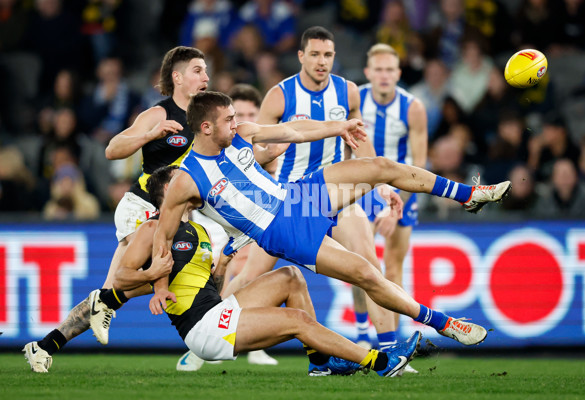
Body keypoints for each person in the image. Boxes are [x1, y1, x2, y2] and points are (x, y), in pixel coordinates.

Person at [152, 91, 511, 359]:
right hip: (281, 230)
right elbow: (162, 237)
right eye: (229, 119)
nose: (237, 122)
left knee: (380, 166)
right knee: (366, 274)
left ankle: (469, 195)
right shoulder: (186, 179)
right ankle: (446, 324)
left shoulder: (242, 134)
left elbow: (291, 131)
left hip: (296, 195)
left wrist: (337, 127)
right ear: (206, 127)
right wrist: (159, 287)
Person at [24, 164, 423, 377]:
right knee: (298, 319)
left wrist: (221, 264)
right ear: (168, 195)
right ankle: (378, 362)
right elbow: (123, 280)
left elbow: (206, 285)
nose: (192, 192)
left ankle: (320, 366)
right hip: (202, 329)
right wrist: (153, 279)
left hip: (214, 309)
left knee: (291, 278)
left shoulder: (197, 228)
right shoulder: (151, 230)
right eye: (183, 188)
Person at [223, 26, 400, 354]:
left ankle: (390, 350)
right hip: (291, 200)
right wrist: (267, 157)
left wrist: (383, 186)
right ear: (301, 56)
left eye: (328, 55)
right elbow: (255, 150)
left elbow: (363, 146)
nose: (322, 61)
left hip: (338, 195)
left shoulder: (348, 93)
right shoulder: (280, 95)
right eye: (315, 54)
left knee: (369, 264)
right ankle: (207, 324)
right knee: (250, 276)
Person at [86, 46, 208, 347]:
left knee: (125, 280)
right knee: (138, 271)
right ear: (177, 77)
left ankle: (91, 310)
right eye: (198, 70)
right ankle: (102, 302)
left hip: (173, 212)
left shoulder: (205, 120)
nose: (206, 77)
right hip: (141, 205)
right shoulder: (159, 112)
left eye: (206, 71)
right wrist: (150, 135)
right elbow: (112, 149)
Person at [178, 83, 279, 369]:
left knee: (260, 275)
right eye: (238, 114)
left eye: (249, 113)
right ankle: (212, 333)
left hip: (266, 216)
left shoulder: (258, 138)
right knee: (247, 276)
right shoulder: (227, 146)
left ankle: (250, 344)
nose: (241, 120)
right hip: (227, 222)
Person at [354, 44, 427, 354]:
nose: (384, 76)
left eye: (389, 70)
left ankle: (392, 345)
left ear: (398, 74)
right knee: (359, 265)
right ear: (369, 73)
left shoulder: (413, 108)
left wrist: (395, 203)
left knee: (393, 268)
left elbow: (418, 167)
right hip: (362, 190)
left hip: (402, 193)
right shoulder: (355, 99)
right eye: (378, 70)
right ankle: (360, 334)